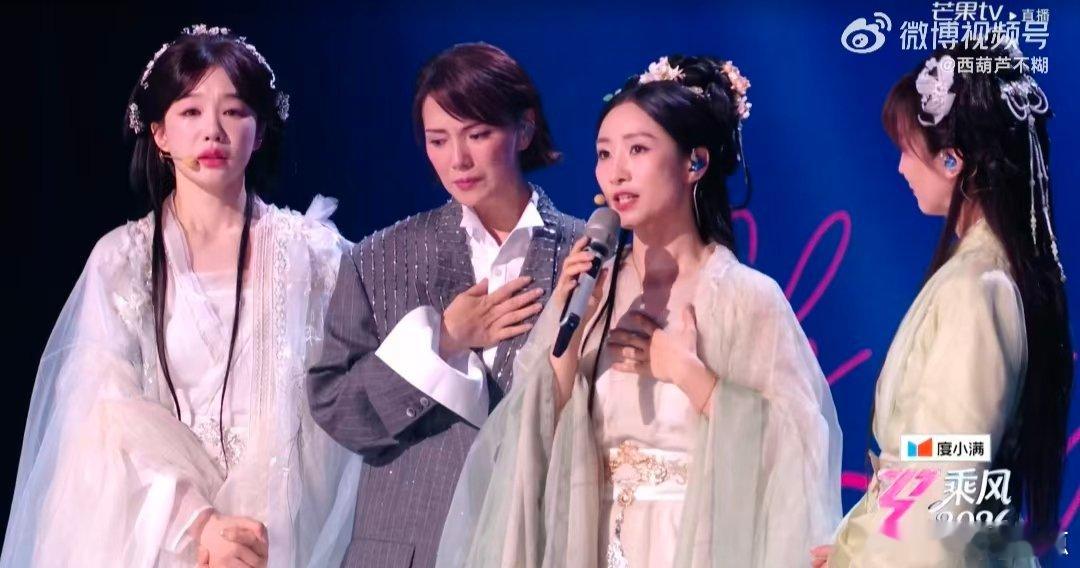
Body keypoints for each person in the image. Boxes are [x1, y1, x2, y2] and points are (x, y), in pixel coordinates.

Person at [437, 54, 842, 568]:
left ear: (695, 163)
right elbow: (526, 440)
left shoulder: (745, 297)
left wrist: (692, 377)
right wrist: (569, 333)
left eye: (638, 149)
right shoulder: (594, 288)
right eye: (605, 153)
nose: (617, 172)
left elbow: (799, 448)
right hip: (592, 543)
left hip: (691, 546)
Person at [1, 24, 360, 568]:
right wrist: (199, 523)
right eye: (190, 111)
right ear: (160, 133)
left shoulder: (315, 254)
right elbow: (102, 412)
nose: (212, 131)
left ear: (260, 131)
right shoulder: (121, 260)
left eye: (234, 111)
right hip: (162, 532)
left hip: (284, 534)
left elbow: (359, 383)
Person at [306, 42, 584, 567]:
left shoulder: (586, 256)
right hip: (408, 548)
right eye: (438, 140)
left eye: (477, 135)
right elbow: (338, 412)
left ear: (524, 129)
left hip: (537, 543)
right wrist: (441, 342)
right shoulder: (380, 258)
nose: (457, 159)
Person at [816, 40, 1073, 567]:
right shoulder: (982, 276)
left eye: (908, 150)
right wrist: (851, 547)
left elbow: (948, 473)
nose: (900, 168)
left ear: (953, 160)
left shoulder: (977, 288)